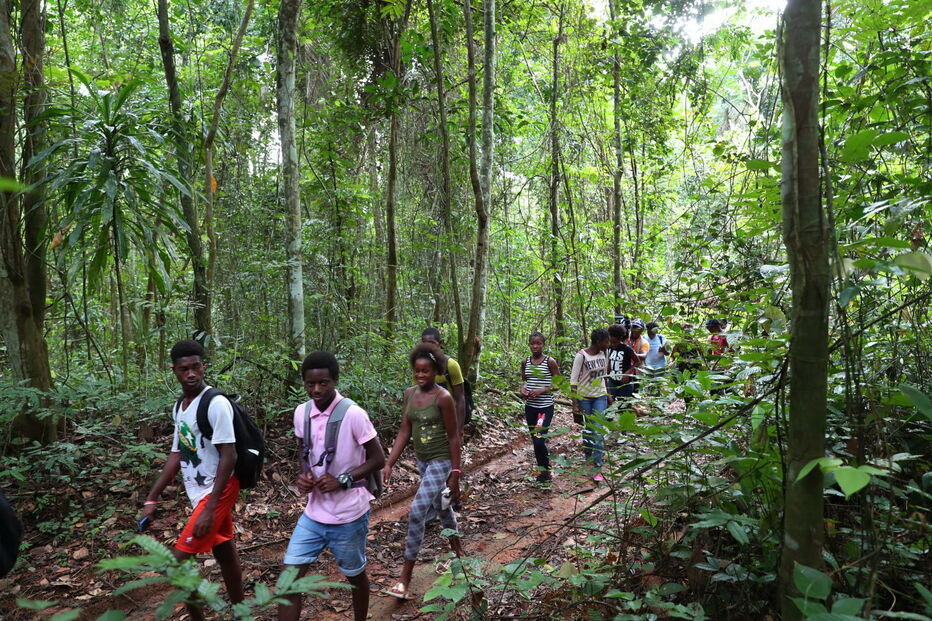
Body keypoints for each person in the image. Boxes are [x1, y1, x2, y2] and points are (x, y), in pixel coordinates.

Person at [140, 339, 243, 620]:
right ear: (174, 370)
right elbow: (177, 454)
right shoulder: (181, 407)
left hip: (217, 491)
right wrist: (152, 497)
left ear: (203, 366)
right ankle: (242, 611)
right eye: (184, 369)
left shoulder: (216, 403)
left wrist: (210, 507)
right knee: (224, 551)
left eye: (196, 367)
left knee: (176, 564)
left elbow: (229, 455)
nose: (191, 374)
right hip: (200, 492)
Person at [278, 352, 385, 621]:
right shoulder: (301, 413)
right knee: (288, 581)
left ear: (335, 380)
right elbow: (304, 453)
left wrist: (344, 479)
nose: (316, 390)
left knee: (354, 576)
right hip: (314, 514)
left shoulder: (353, 414)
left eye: (323, 383)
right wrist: (303, 476)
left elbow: (378, 458)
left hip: (349, 515)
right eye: (310, 384)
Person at [383, 342, 463, 599]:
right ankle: (460, 555)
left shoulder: (443, 397)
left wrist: (456, 473)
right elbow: (405, 430)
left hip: (441, 460)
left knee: (417, 512)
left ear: (436, 371)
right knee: (441, 506)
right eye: (417, 371)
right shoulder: (409, 394)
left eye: (426, 371)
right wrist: (390, 462)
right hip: (423, 461)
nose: (420, 375)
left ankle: (404, 578)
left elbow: (453, 437)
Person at [519, 331, 561, 483]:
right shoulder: (525, 362)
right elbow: (525, 380)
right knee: (536, 439)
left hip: (544, 408)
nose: (535, 346)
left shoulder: (550, 362)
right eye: (533, 343)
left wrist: (543, 390)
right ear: (529, 344)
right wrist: (523, 390)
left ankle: (545, 470)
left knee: (538, 439)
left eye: (539, 343)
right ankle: (543, 470)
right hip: (530, 407)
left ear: (543, 344)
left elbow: (558, 383)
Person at [570, 328, 611, 482]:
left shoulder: (604, 353)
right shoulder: (582, 356)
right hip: (585, 397)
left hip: (600, 396)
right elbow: (573, 381)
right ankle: (588, 455)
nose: (608, 344)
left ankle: (597, 465)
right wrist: (575, 404)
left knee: (598, 430)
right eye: (606, 341)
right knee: (588, 429)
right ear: (598, 341)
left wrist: (608, 395)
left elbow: (604, 376)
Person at [420, 328, 467, 434]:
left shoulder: (451, 365)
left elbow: (460, 399)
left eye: (431, 343)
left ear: (440, 343)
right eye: (424, 344)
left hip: (449, 421)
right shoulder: (420, 367)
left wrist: (459, 431)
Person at [606, 324, 637, 403]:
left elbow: (638, 361)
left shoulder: (627, 349)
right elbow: (610, 359)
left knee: (624, 405)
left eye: (615, 342)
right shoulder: (610, 347)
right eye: (611, 342)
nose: (613, 344)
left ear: (620, 338)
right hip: (612, 381)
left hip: (625, 383)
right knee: (610, 403)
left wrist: (628, 372)